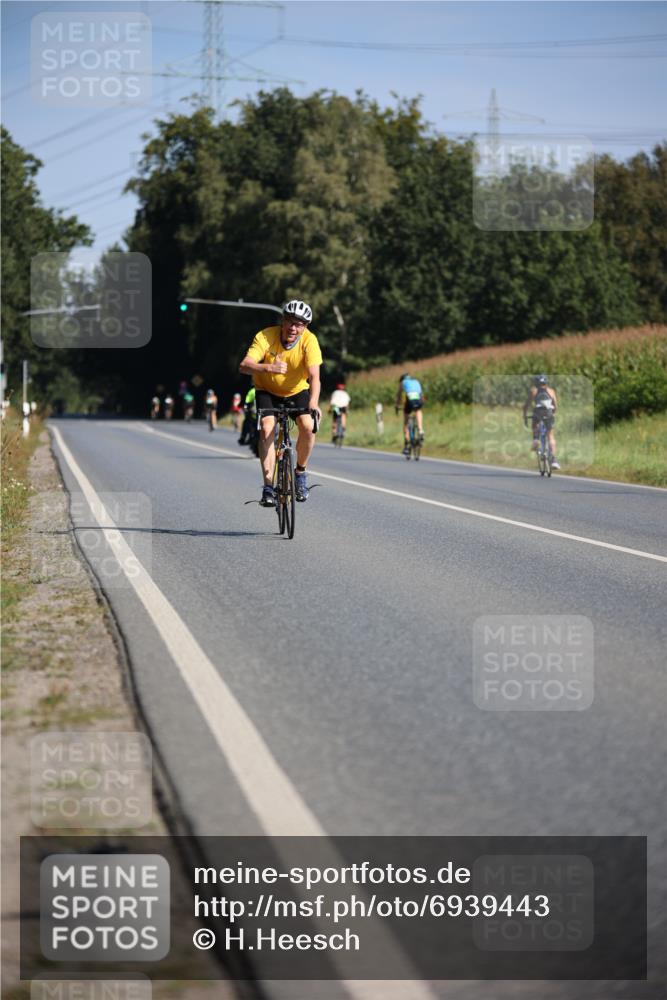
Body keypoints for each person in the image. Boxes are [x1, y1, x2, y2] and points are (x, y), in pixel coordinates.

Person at [239, 299, 322, 506]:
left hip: (296, 391)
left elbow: (315, 377)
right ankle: (268, 487)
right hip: (266, 390)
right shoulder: (265, 336)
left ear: (306, 327)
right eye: (290, 322)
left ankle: (300, 472)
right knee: (267, 429)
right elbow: (245, 365)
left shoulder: (309, 341)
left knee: (308, 425)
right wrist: (268, 368)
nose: (294, 328)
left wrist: (313, 402)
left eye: (300, 324)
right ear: (283, 321)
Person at [523, 374, 560, 469]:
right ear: (546, 383)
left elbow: (526, 405)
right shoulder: (551, 391)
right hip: (548, 413)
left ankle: (536, 440)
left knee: (535, 426)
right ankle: (554, 460)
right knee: (550, 435)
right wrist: (553, 414)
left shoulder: (533, 391)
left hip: (538, 413)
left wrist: (525, 416)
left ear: (536, 383)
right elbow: (555, 406)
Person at [395, 372, 424, 456]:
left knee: (406, 423)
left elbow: (399, 396)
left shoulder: (402, 383)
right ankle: (420, 429)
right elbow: (421, 395)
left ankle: (407, 446)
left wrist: (397, 406)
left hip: (410, 400)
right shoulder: (416, 381)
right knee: (418, 410)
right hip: (419, 399)